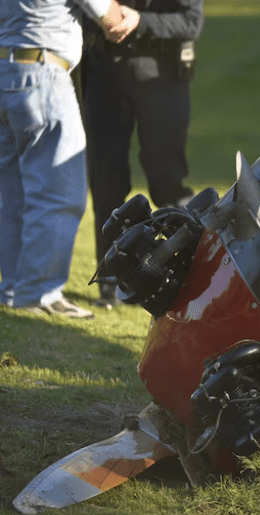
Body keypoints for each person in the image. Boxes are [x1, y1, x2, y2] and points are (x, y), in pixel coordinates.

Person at [0, 0, 135, 319]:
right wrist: (127, 16)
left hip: (5, 73)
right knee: (60, 193)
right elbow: (111, 19)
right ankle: (39, 294)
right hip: (42, 75)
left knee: (13, 195)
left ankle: (13, 290)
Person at [81, 0, 204, 307]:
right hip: (103, 74)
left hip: (161, 76)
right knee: (106, 181)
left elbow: (190, 22)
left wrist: (139, 20)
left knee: (167, 182)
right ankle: (110, 281)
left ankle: (193, 274)